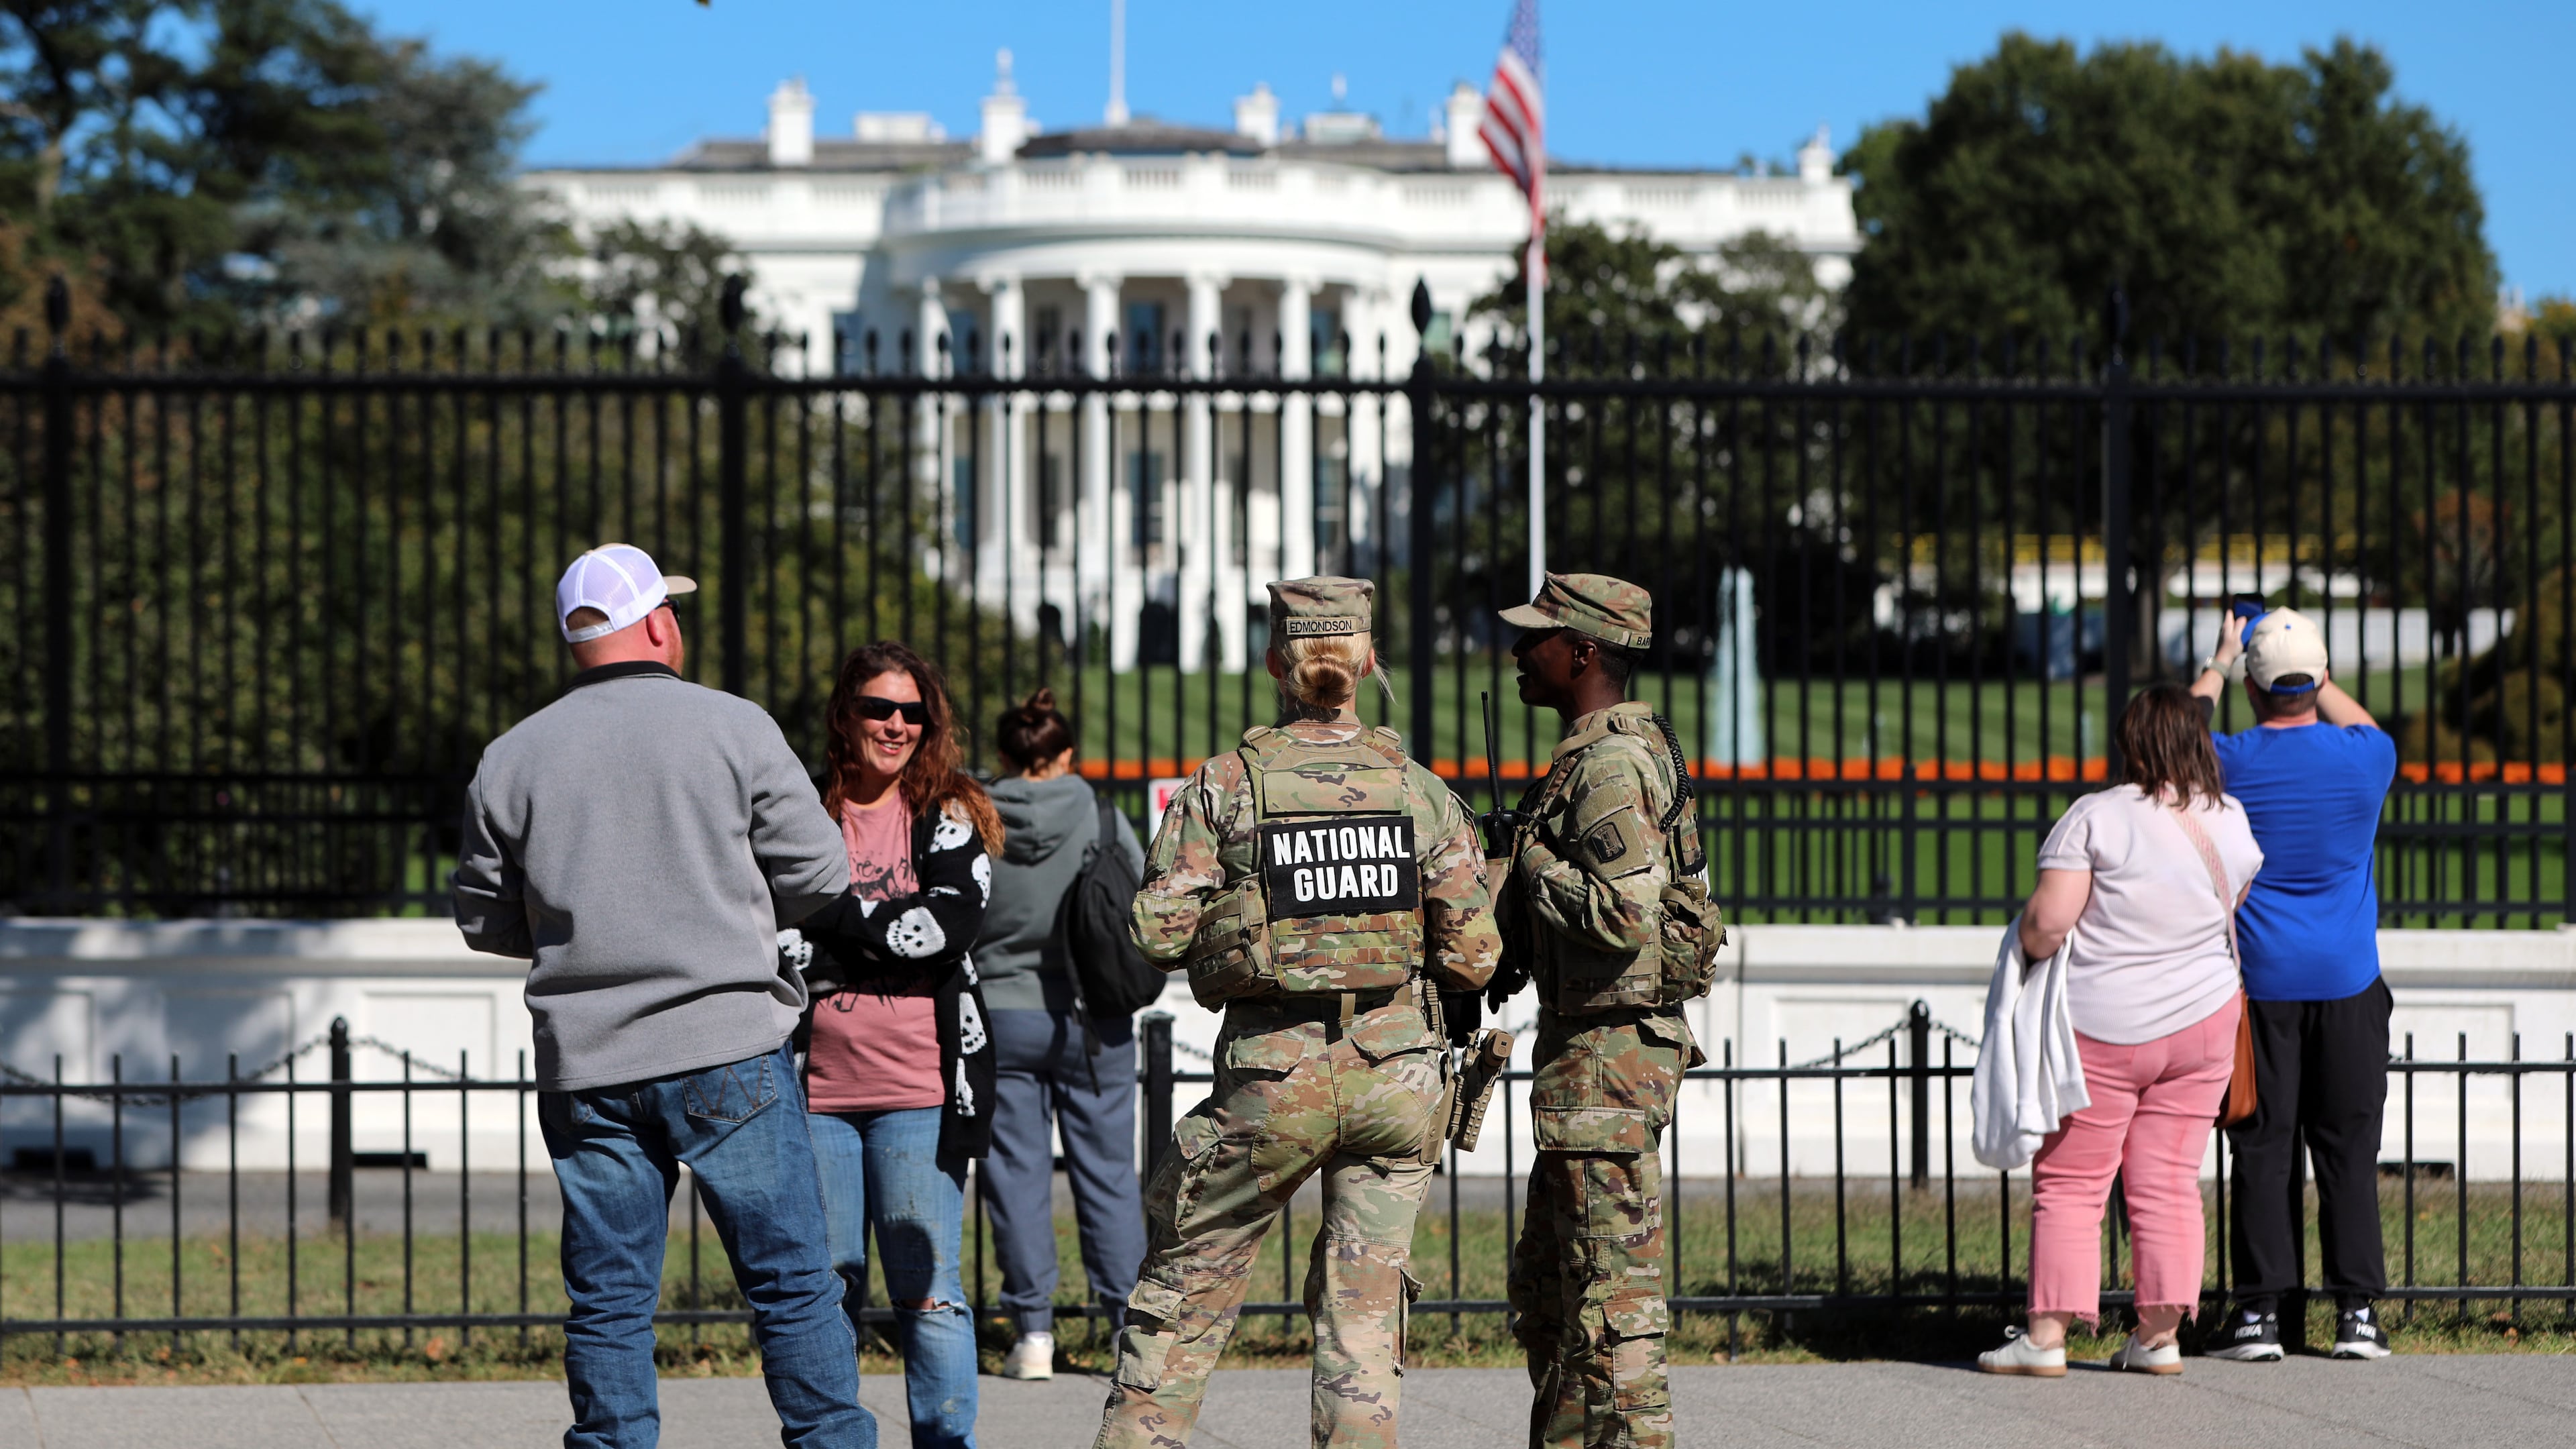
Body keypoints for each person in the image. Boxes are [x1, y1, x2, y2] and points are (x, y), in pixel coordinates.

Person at [451, 543, 872, 1449]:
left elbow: (484, 921)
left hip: (589, 1063)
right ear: (659, 624)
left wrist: (584, 933)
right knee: (792, 1287)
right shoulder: (734, 726)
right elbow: (821, 873)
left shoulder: (511, 759)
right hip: (729, 1047)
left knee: (607, 1302)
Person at [1094, 576, 1501, 1449]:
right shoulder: (1420, 791)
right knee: (1361, 1329)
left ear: (1279, 664)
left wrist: (1248, 913)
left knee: (1184, 1303)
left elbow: (1156, 931)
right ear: (1367, 663)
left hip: (1272, 1082)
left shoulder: (1228, 787)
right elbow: (1475, 958)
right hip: (1397, 1081)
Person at [1487, 572, 1719, 1449]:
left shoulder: (1613, 764)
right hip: (1586, 1063)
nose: (1517, 653)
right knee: (1551, 1297)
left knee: (1610, 1306)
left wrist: (1532, 865)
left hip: (1607, 1067)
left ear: (1583, 652)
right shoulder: (1602, 752)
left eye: (1535, 639)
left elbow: (1625, 915)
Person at [1974, 683, 2260, 1378]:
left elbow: (2047, 923)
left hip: (2106, 1024)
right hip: (2204, 1020)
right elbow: (2233, 900)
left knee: (2072, 1180)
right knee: (2167, 1180)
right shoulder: (2230, 819)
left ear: (2132, 741)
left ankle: (2045, 1337)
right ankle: (2158, 1338)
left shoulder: (2096, 817)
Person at [784, 641, 1002, 1449]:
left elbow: (940, 933)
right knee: (825, 1286)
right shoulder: (802, 814)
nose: (897, 724)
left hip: (919, 1089)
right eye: (878, 707)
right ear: (845, 715)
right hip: (814, 1095)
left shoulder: (949, 817)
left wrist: (835, 917)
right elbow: (772, 941)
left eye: (913, 711)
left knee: (928, 1291)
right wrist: (876, 931)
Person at [2190, 605, 2398, 1361]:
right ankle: (2357, 1313)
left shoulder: (2230, 759)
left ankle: (2259, 1314)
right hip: (2349, 979)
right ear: (2320, 678)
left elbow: (2173, 736)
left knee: (2263, 1143)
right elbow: (2366, 725)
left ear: (2252, 687)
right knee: (2348, 1145)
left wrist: (2219, 659)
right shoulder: (2366, 759)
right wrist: (2321, 675)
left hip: (2264, 983)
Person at [976, 686, 1149, 1381]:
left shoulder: (974, 816)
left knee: (1013, 1175)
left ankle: (1033, 1335)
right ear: (1067, 753)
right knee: (1108, 1175)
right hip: (1093, 1018)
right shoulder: (1102, 815)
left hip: (1001, 1014)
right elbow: (1140, 899)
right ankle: (1122, 1326)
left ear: (1002, 754)